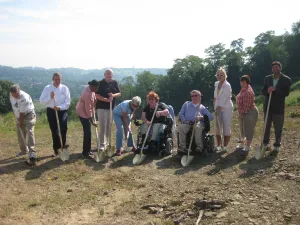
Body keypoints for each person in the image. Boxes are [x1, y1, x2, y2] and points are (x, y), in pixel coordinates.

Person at [262, 61, 292, 156]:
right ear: (272, 69)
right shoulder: (267, 78)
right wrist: (268, 90)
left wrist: (276, 90)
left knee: (278, 127)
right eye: (274, 68)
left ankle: (277, 145)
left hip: (278, 107)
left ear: (280, 68)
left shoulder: (286, 79)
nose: (275, 69)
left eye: (277, 67)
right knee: (266, 127)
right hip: (268, 107)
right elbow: (263, 91)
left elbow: (286, 93)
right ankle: (265, 143)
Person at [39, 72, 71, 157]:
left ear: (61, 79)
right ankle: (56, 150)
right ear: (52, 79)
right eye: (56, 79)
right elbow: (41, 101)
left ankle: (63, 147)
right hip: (51, 111)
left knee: (63, 128)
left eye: (59, 79)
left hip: (62, 110)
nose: (57, 81)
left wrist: (60, 107)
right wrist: (50, 97)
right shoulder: (47, 88)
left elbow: (68, 102)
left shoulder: (65, 88)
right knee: (55, 131)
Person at [95, 69, 121, 151]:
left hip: (111, 107)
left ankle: (108, 142)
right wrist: (106, 99)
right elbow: (96, 95)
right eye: (107, 74)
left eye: (110, 74)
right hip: (101, 107)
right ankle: (102, 143)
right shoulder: (100, 83)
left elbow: (119, 93)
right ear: (104, 74)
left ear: (112, 75)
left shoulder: (114, 83)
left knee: (109, 125)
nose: (109, 75)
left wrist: (113, 95)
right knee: (102, 125)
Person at [10, 84, 37, 163]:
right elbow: (14, 107)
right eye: (13, 95)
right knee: (20, 133)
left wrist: (19, 122)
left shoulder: (23, 98)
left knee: (29, 132)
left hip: (29, 115)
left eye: (17, 95)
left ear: (19, 91)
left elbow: (22, 113)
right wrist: (16, 118)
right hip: (19, 116)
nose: (15, 97)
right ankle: (24, 150)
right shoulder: (11, 94)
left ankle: (32, 152)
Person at [76, 80, 99, 159]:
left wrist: (95, 99)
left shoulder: (91, 89)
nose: (96, 90)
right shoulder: (87, 94)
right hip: (83, 113)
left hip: (87, 111)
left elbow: (93, 97)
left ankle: (88, 150)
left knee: (88, 132)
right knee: (87, 132)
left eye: (97, 88)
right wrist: (92, 121)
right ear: (91, 86)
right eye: (95, 88)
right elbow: (88, 108)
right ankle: (85, 152)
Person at [236, 75, 259, 155]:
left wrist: (241, 114)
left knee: (248, 129)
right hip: (243, 112)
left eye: (244, 82)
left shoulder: (248, 92)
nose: (242, 83)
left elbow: (247, 105)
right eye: (241, 82)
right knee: (242, 128)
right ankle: (242, 143)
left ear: (247, 82)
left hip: (250, 112)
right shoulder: (243, 90)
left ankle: (248, 145)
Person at [214, 67, 234, 152]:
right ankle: (218, 144)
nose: (219, 76)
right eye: (218, 75)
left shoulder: (227, 85)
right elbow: (215, 96)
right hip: (217, 107)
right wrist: (216, 106)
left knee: (226, 126)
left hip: (226, 108)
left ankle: (225, 145)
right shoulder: (216, 84)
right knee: (218, 127)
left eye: (221, 75)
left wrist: (221, 106)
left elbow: (226, 97)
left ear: (225, 75)